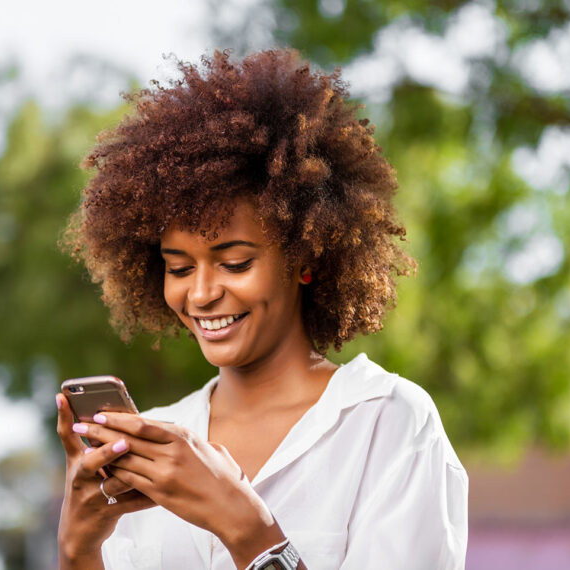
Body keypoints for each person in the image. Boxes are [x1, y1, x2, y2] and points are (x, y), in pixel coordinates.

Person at [56, 48, 468, 570]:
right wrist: (78, 546)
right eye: (179, 269)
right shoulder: (155, 443)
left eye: (234, 262)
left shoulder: (388, 423)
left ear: (305, 257)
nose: (201, 293)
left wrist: (249, 530)